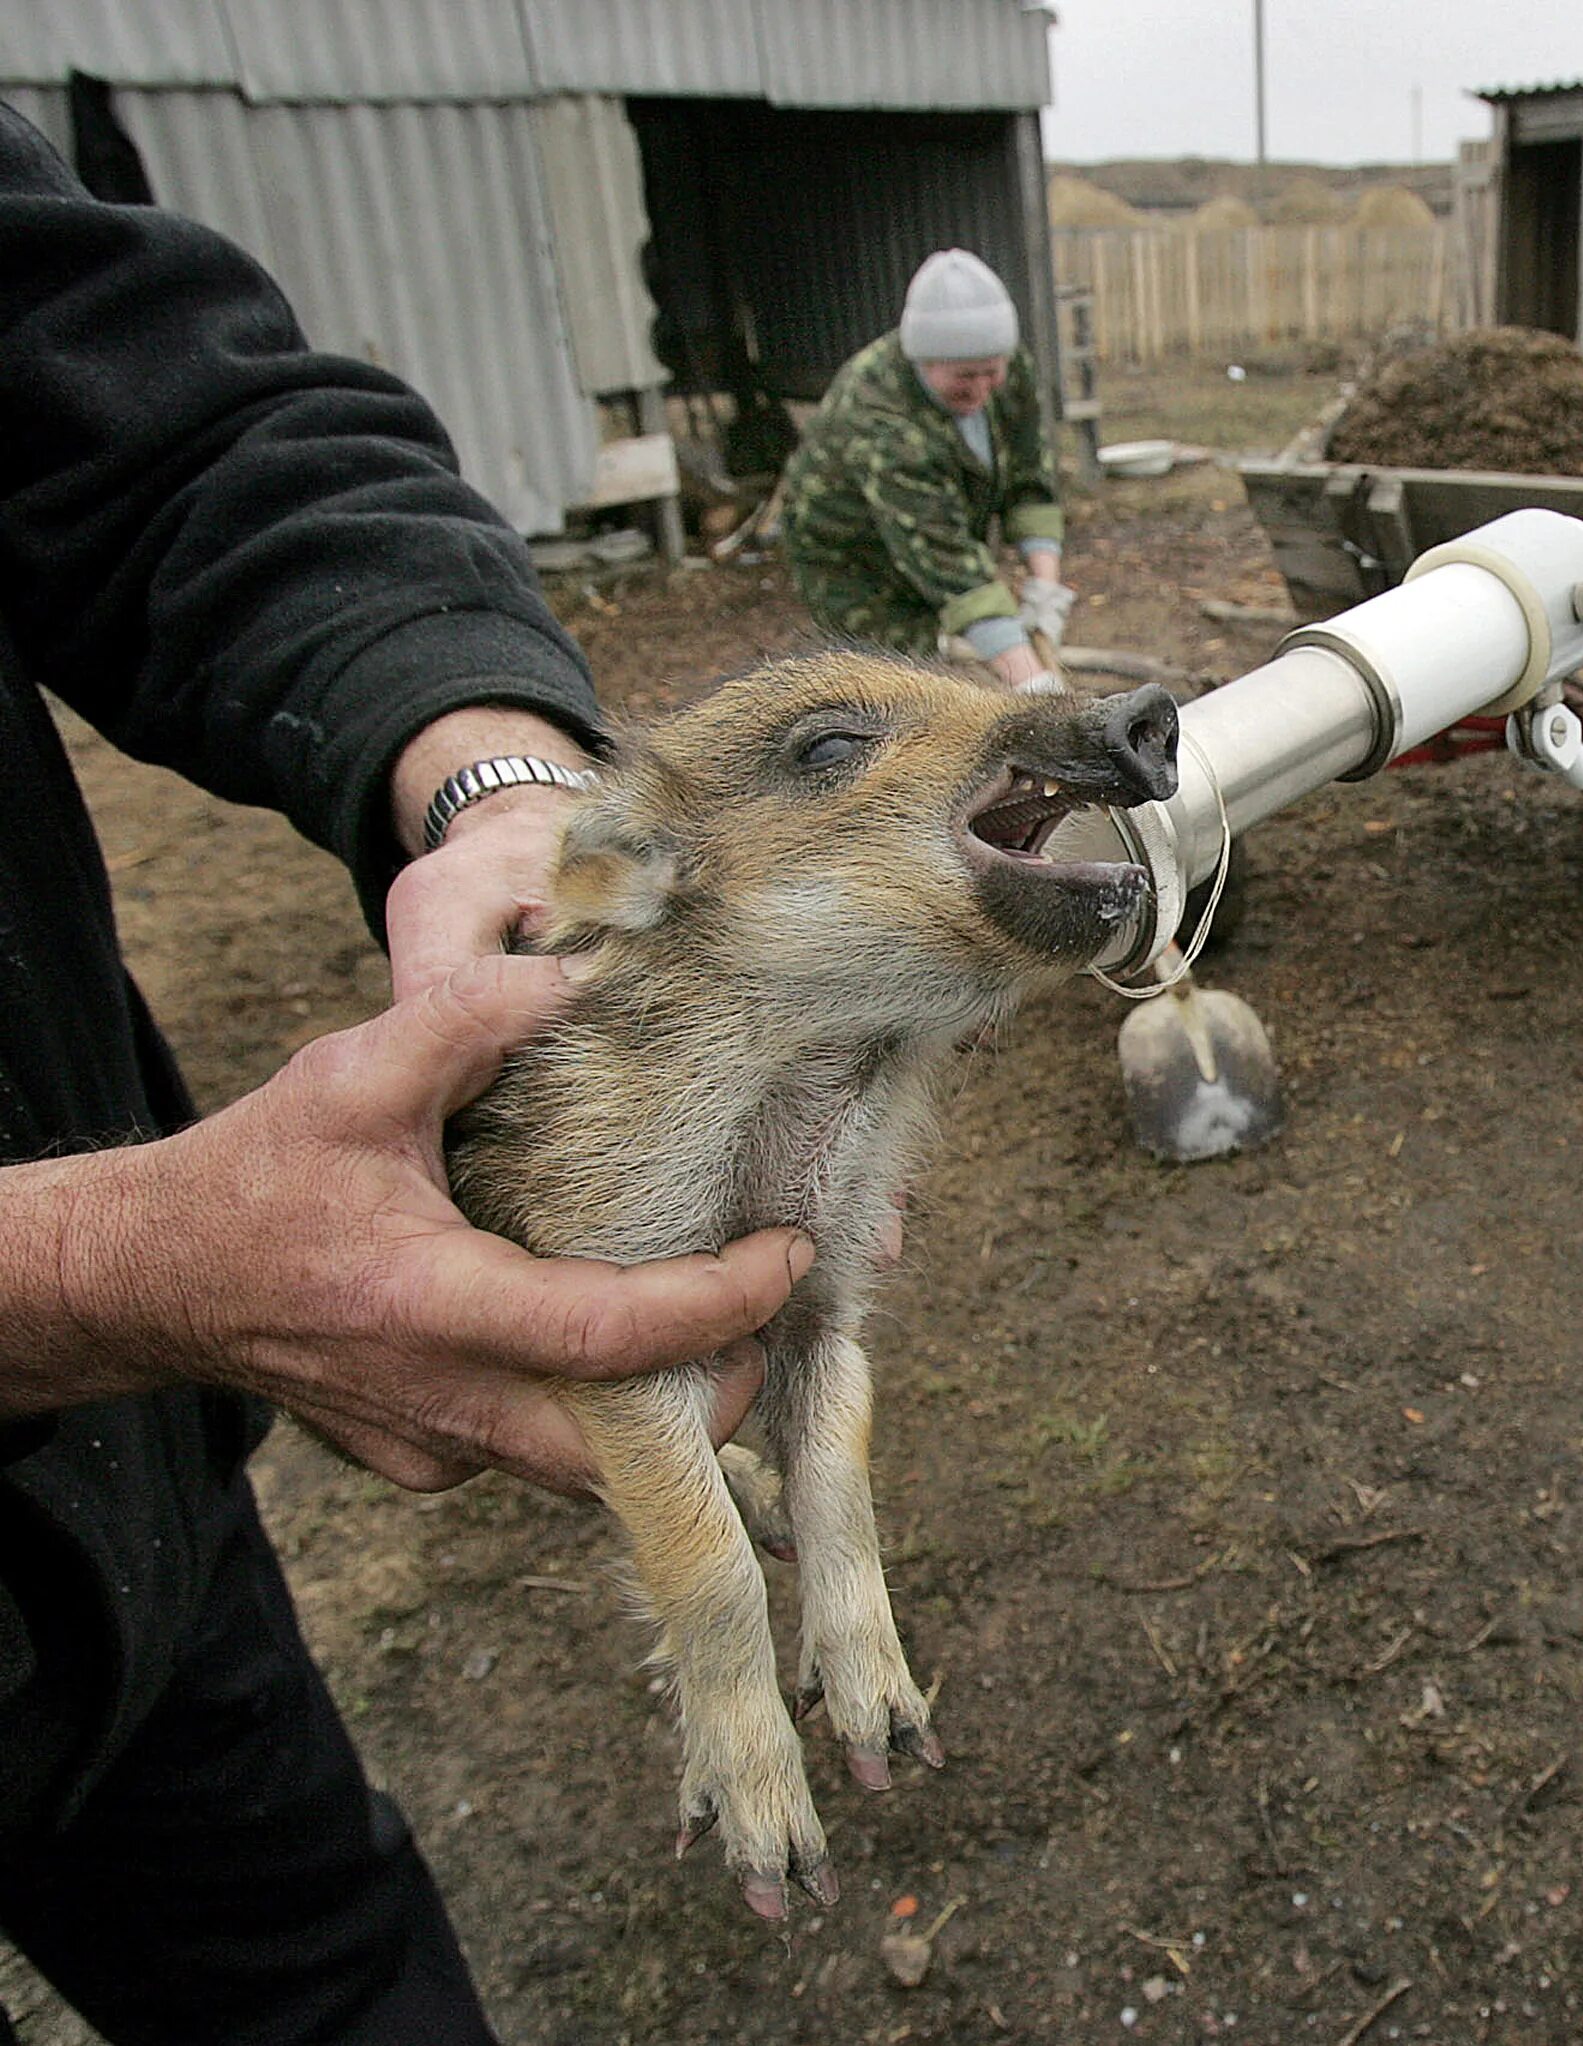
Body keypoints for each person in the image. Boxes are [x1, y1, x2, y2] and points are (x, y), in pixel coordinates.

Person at [0, 109, 810, 2043]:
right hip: (90, 1358)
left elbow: (173, 432)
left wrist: (501, 782)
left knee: (333, 1973)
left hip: (101, 1516)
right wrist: (113, 1272)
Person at [782, 248, 1071, 689]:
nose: (980, 388)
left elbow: (1029, 477)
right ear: (923, 360)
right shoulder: (881, 421)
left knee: (982, 656)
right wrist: (1034, 686)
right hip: (857, 566)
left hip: (939, 533)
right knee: (904, 684)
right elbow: (949, 561)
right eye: (963, 377)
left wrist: (1045, 590)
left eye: (990, 372)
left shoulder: (1007, 369)